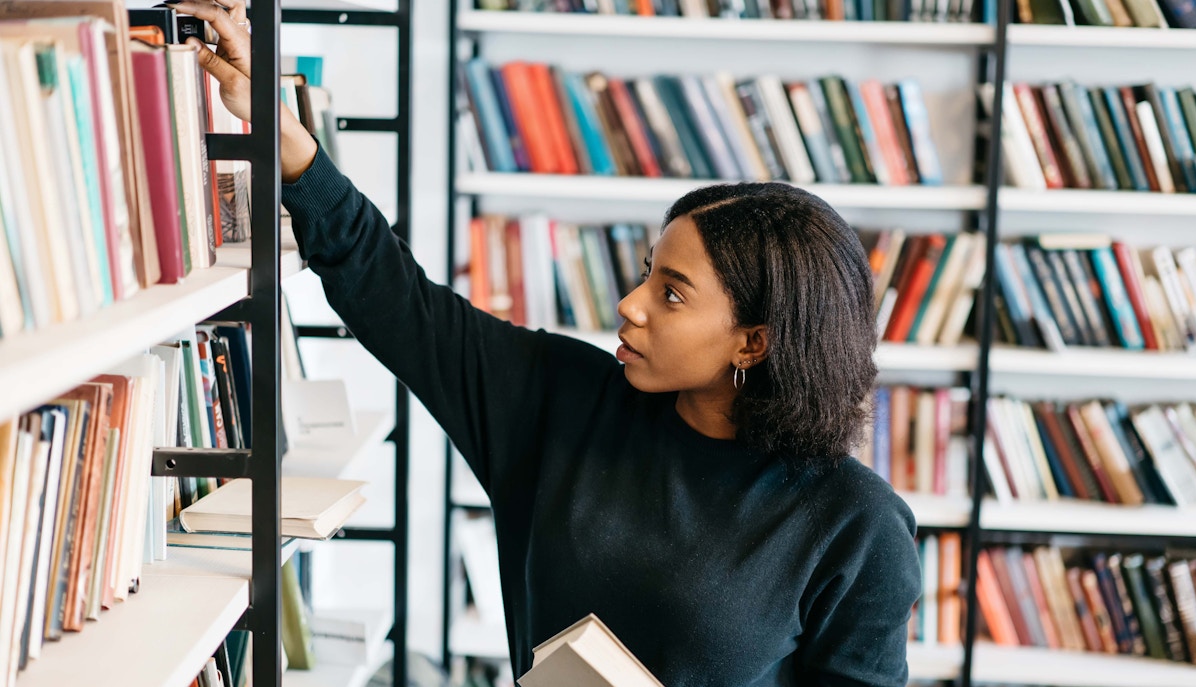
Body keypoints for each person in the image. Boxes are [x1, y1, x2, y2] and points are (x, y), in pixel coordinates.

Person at [170, 2, 922, 684]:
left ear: (753, 342)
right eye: (644, 275)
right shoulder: (558, 400)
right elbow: (396, 298)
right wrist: (290, 145)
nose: (628, 305)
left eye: (671, 293)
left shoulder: (856, 525)